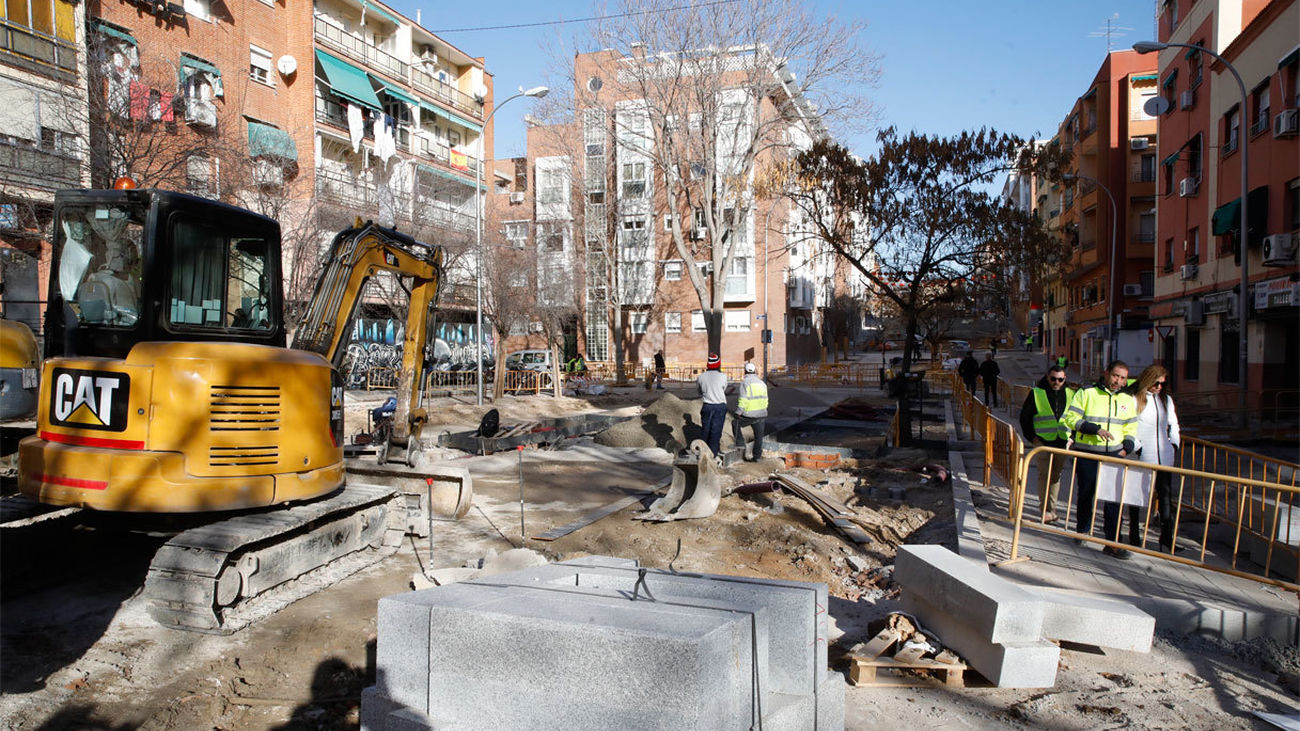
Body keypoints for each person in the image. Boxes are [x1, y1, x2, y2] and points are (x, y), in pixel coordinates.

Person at [1061, 360, 1139, 559]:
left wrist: (1126, 448)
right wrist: (1094, 429)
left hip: (1114, 455)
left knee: (1113, 499)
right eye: (1115, 376)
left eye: (1122, 378)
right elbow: (1070, 418)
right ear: (1106, 373)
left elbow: (1131, 427)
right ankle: (1083, 531)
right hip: (1088, 452)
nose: (1118, 381)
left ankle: (1111, 542)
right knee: (1087, 493)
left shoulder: (1127, 400)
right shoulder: (1087, 393)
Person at [1130, 364, 1181, 553]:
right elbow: (1129, 426)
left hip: (1165, 457)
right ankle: (1134, 534)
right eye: (1156, 383)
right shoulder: (1135, 400)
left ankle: (1167, 538)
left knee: (1166, 497)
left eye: (1162, 384)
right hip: (1143, 455)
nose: (1159, 387)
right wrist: (1138, 446)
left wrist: (1174, 443)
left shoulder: (1166, 400)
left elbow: (1173, 424)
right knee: (1137, 496)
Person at [1018, 365, 1075, 524]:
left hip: (1062, 442)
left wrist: (1073, 438)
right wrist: (1033, 439)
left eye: (1060, 379)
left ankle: (1052, 509)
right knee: (1045, 475)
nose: (1056, 382)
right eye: (1053, 379)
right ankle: (1045, 509)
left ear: (1065, 379)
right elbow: (1025, 418)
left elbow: (1077, 418)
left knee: (1056, 477)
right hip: (1042, 442)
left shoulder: (1071, 394)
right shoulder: (1037, 393)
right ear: (1047, 377)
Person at [731, 362, 768, 462]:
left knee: (735, 423)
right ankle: (756, 457)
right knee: (759, 437)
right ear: (755, 371)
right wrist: (763, 411)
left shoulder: (745, 383)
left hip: (750, 415)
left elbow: (743, 399)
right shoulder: (762, 383)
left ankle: (740, 444)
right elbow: (766, 400)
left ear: (745, 371)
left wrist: (738, 412)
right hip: (761, 414)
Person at [697, 352, 728, 457]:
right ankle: (713, 455)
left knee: (705, 430)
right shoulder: (723, 376)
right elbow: (724, 388)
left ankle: (702, 453)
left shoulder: (701, 377)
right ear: (718, 364)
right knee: (716, 431)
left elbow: (699, 391)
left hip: (707, 406)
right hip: (719, 406)